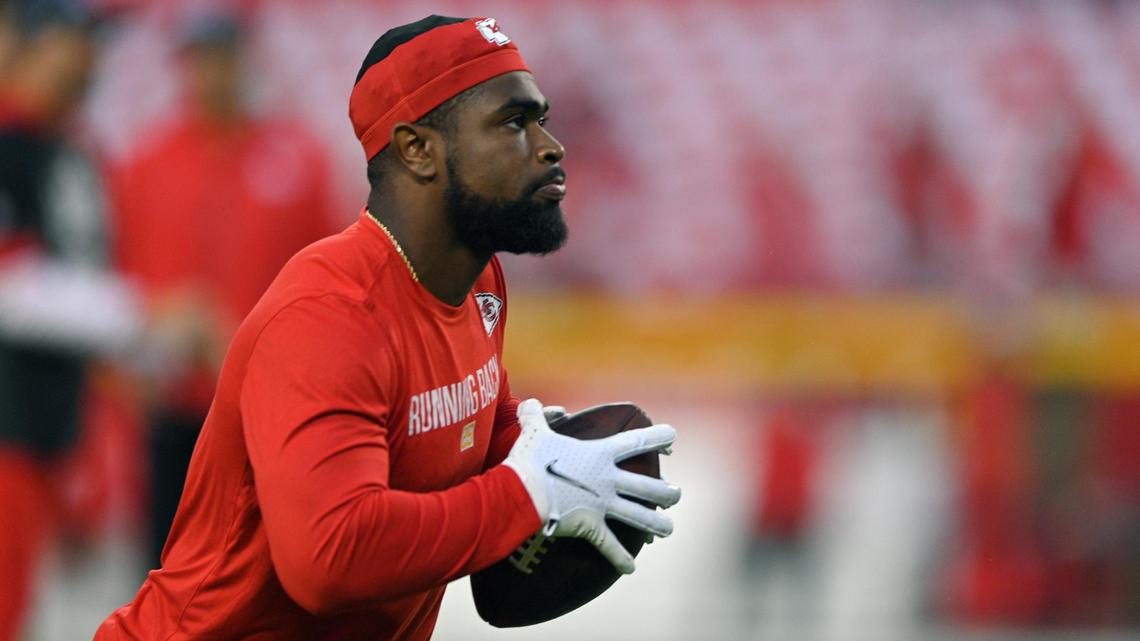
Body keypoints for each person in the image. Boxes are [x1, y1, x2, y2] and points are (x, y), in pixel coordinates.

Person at [95, 15, 681, 641]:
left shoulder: (477, 282)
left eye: (540, 118)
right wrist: (525, 494)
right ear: (417, 150)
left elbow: (472, 421)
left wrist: (546, 450)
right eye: (513, 122)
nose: (549, 145)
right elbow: (329, 558)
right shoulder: (329, 316)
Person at [111, 12, 336, 568]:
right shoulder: (146, 163)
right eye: (198, 60)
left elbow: (334, 281)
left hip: (268, 406)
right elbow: (121, 281)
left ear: (244, 61)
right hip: (171, 407)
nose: (210, 74)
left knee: (266, 569)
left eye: (221, 57)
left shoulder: (297, 161)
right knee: (169, 567)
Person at [0, 2, 139, 640]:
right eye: (72, 37)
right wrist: (145, 317)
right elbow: (11, 284)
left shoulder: (75, 148)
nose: (87, 57)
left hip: (62, 426)